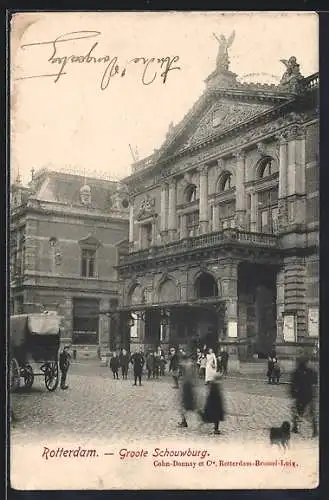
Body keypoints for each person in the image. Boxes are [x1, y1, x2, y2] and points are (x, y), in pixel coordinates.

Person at [290, 356, 318, 437]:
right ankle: (315, 430)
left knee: (297, 412)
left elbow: (293, 385)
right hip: (309, 395)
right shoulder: (312, 372)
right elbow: (314, 383)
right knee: (312, 413)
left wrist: (293, 394)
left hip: (300, 395)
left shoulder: (296, 372)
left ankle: (295, 427)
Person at [178, 356, 197, 428]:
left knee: (183, 406)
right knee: (188, 407)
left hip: (187, 388)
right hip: (188, 387)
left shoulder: (188, 367)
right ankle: (183, 421)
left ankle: (184, 422)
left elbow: (188, 379)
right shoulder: (190, 367)